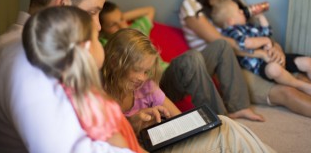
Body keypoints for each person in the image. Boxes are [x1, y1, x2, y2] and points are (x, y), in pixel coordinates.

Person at [0, 0, 136, 152]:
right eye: (92, 12)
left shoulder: (32, 49)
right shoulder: (26, 61)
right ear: (63, 4)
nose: (98, 26)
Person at [179, 0, 311, 120]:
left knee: (301, 76)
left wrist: (275, 47)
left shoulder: (237, 2)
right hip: (229, 68)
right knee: (287, 91)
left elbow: (254, 32)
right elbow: (222, 44)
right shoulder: (191, 5)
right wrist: (261, 53)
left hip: (256, 58)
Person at [101, 28, 276, 153]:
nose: (143, 77)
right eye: (138, 69)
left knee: (225, 124)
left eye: (146, 71)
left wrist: (170, 125)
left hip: (160, 142)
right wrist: (133, 124)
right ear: (116, 62)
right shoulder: (98, 95)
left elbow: (180, 120)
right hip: (140, 147)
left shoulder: (146, 87)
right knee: (227, 135)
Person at [98, 1, 264, 121]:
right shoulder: (107, 45)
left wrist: (119, 20)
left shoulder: (136, 29)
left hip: (166, 73)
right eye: (113, 24)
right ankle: (220, 121)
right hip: (157, 82)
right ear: (102, 28)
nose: (120, 25)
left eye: (121, 19)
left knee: (221, 45)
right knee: (192, 58)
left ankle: (239, 106)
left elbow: (150, 9)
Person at [22, 6, 145, 152]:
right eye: (97, 39)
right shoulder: (91, 104)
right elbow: (123, 147)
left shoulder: (71, 93)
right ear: (86, 47)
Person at [211, 0, 311, 96]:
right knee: (274, 69)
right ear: (230, 21)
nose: (243, 11)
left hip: (276, 56)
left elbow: (267, 33)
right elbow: (247, 43)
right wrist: (265, 40)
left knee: (308, 61)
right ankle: (300, 85)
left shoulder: (248, 26)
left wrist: (261, 17)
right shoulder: (230, 31)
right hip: (262, 65)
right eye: (239, 11)